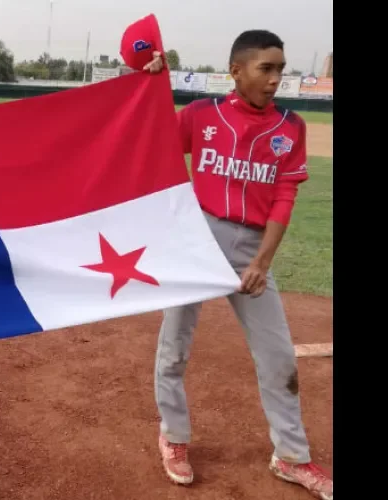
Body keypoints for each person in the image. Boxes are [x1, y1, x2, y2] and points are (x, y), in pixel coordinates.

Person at [143, 31, 332, 499]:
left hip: (251, 248)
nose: (275, 80)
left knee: (278, 355)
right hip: (197, 240)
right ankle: (174, 436)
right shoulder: (202, 115)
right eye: (265, 69)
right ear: (236, 71)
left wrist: (262, 262)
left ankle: (290, 456)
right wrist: (148, 82)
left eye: (280, 70)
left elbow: (284, 195)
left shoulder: (290, 126)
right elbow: (150, 141)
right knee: (175, 347)